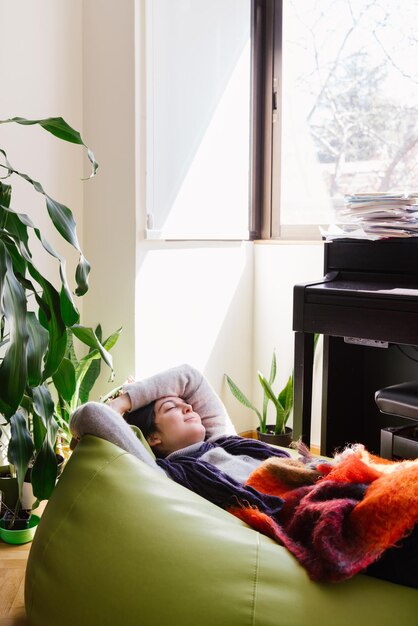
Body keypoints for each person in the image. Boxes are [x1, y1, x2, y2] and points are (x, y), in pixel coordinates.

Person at [70, 364, 418, 588]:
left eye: (185, 404)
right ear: (153, 439)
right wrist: (121, 406)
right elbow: (89, 416)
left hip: (325, 481)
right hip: (296, 506)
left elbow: (191, 376)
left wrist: (138, 396)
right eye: (172, 408)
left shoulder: (223, 437)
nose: (189, 406)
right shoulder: (166, 475)